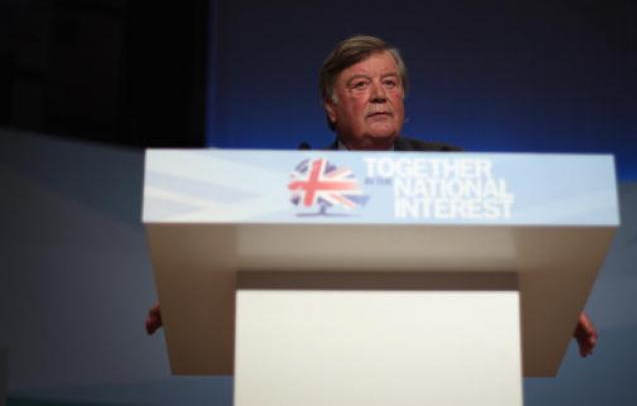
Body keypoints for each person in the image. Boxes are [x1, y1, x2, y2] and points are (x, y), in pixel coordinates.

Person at [146, 34, 599, 357]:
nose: (380, 95)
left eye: (390, 83)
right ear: (331, 107)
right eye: (360, 85)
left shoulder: (448, 165)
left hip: (435, 348)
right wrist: (195, 293)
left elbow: (498, 246)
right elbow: (253, 250)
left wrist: (548, 299)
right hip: (322, 352)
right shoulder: (299, 178)